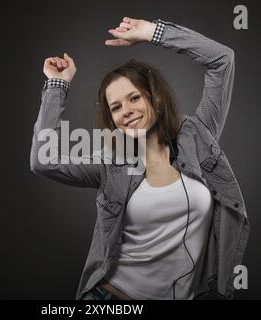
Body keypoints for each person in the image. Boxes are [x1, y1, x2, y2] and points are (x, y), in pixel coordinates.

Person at [30, 17, 250, 300]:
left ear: (155, 99)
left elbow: (222, 60)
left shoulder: (199, 136)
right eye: (116, 107)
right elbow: (42, 161)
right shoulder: (110, 163)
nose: (127, 111)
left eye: (135, 98)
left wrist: (153, 33)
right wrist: (57, 84)